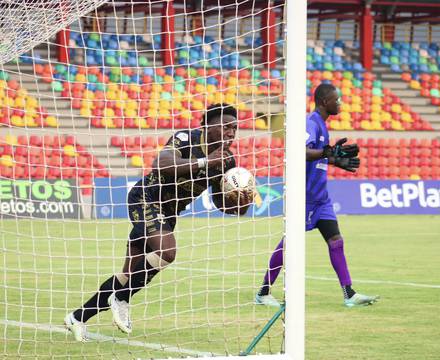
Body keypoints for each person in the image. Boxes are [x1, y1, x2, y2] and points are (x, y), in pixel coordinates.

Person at [65, 104, 253, 341]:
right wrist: (205, 162)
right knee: (167, 252)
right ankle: (121, 298)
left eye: (234, 128)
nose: (231, 132)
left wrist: (240, 204)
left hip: (168, 214)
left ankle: (77, 317)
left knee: (128, 274)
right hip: (146, 198)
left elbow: (219, 203)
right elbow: (161, 164)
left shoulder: (226, 161)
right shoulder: (186, 138)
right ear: (207, 126)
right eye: (225, 126)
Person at [255, 84, 379, 308]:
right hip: (304, 198)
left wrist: (333, 159)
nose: (339, 103)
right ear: (324, 102)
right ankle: (264, 292)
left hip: (321, 199)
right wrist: (326, 153)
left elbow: (320, 156)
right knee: (289, 244)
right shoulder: (310, 123)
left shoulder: (322, 125)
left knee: (336, 241)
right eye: (336, 99)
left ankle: (349, 293)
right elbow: (299, 150)